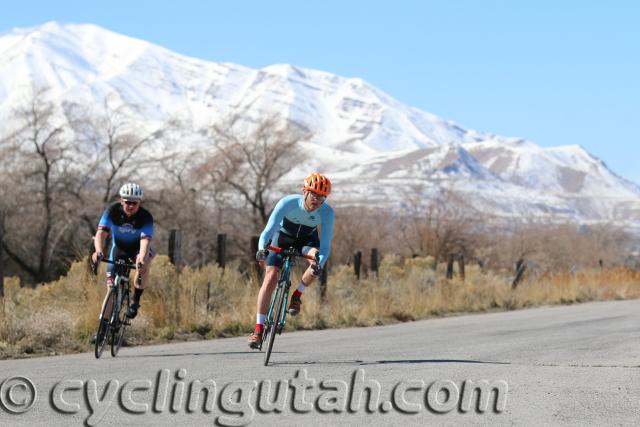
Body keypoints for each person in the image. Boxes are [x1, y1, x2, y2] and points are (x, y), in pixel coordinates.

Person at [248, 172, 334, 349]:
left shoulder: (327, 213)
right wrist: (261, 250)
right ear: (305, 192)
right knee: (271, 278)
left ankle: (297, 295)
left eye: (322, 197)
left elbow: (325, 246)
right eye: (314, 195)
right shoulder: (288, 203)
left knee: (317, 258)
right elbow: (268, 231)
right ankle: (258, 330)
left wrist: (319, 264)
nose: (317, 200)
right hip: (283, 238)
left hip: (307, 241)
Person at [91, 182, 154, 327]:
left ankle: (136, 300)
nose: (131, 206)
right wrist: (99, 251)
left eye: (134, 203)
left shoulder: (145, 217)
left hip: (138, 249)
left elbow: (145, 242)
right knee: (111, 289)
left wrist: (141, 260)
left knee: (144, 262)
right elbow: (101, 233)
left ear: (139, 202)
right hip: (119, 249)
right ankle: (102, 329)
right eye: (127, 202)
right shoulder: (112, 211)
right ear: (121, 200)